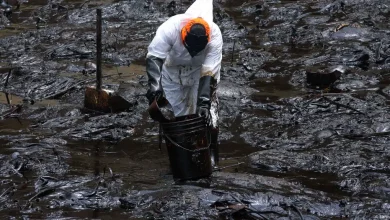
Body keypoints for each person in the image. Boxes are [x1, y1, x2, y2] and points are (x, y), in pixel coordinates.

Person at [145, 0, 222, 166]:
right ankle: (181, 156)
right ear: (183, 35)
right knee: (175, 115)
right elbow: (154, 57)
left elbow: (208, 72)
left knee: (205, 115)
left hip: (199, 72)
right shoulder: (170, 28)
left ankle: (209, 154)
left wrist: (204, 102)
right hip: (172, 71)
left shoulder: (215, 37)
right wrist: (155, 87)